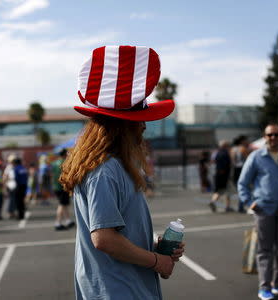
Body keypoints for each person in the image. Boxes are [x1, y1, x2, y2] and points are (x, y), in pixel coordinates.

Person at [60, 45, 185, 299]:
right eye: (140, 121)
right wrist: (156, 261)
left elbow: (116, 235)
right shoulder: (105, 170)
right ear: (123, 126)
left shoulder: (113, 166)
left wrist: (154, 247)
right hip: (118, 290)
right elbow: (104, 239)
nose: (143, 128)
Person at [238, 123, 278, 300]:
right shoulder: (256, 157)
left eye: (276, 135)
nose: (273, 138)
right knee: (265, 250)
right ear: (265, 137)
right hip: (264, 210)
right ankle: (264, 287)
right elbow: (242, 183)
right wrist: (249, 203)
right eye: (270, 135)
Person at [51, 148, 75, 230]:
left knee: (64, 204)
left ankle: (67, 220)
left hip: (55, 186)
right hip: (62, 186)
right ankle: (57, 222)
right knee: (62, 204)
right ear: (65, 154)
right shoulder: (65, 163)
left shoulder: (54, 163)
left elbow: (51, 175)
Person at [209, 140, 233, 212]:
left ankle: (215, 202)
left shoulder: (217, 153)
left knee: (220, 190)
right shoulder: (225, 153)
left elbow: (213, 161)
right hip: (224, 175)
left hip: (218, 174)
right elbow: (226, 165)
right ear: (225, 146)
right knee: (226, 190)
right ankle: (226, 206)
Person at [231, 135, 250, 212]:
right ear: (242, 141)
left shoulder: (233, 149)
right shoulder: (243, 149)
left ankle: (241, 206)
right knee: (245, 188)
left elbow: (232, 161)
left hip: (235, 169)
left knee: (240, 188)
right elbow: (249, 160)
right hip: (242, 169)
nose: (247, 142)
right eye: (246, 140)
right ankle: (241, 206)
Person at [3, 154, 17, 219]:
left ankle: (12, 212)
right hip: (10, 186)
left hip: (14, 186)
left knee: (14, 200)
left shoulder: (15, 167)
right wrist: (5, 186)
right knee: (11, 200)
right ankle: (10, 213)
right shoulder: (9, 168)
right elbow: (5, 177)